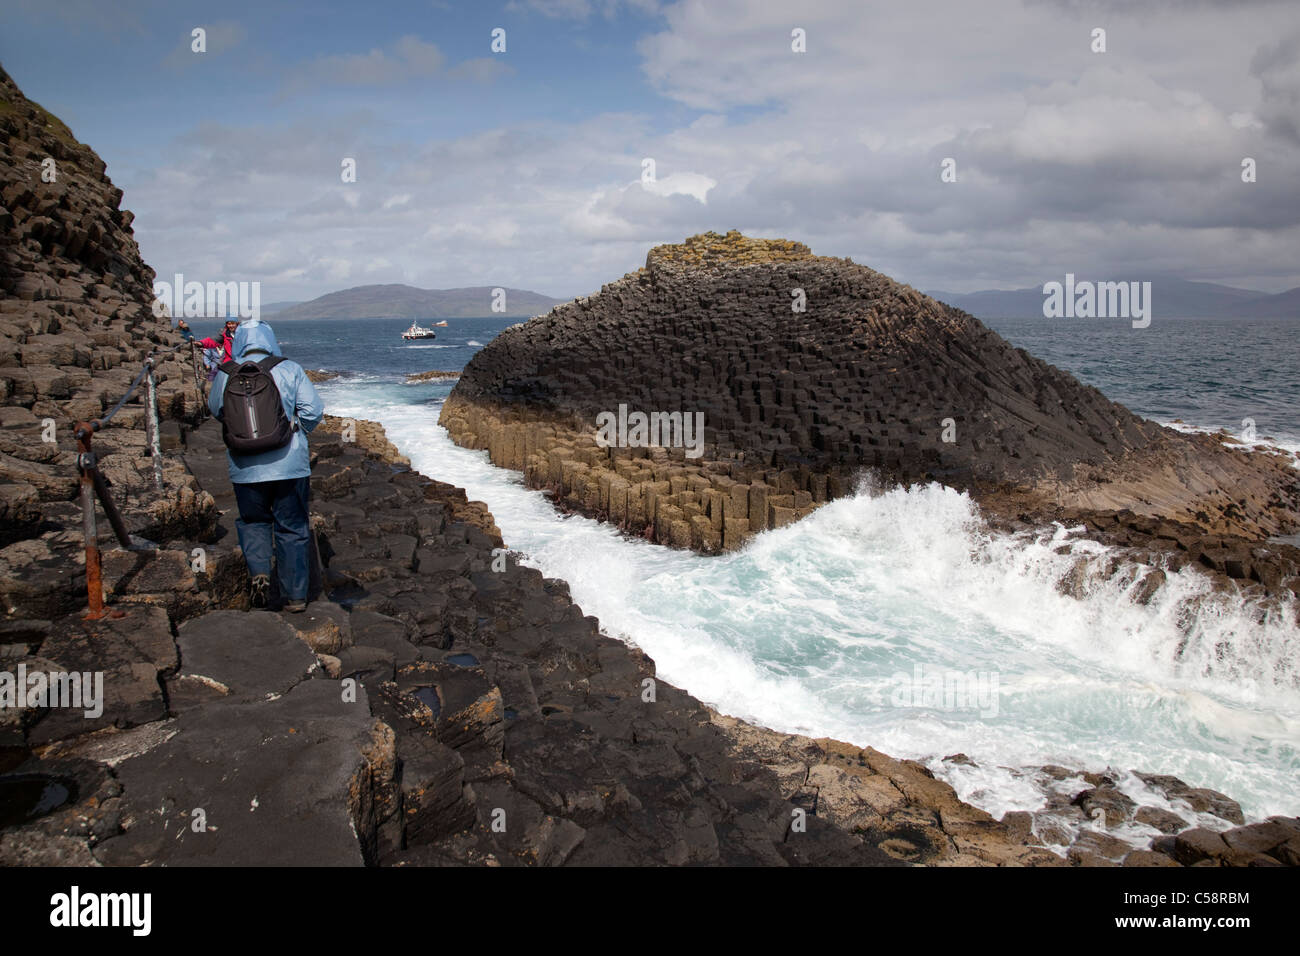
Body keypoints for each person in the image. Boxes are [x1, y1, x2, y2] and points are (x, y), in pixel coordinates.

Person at [208, 320, 324, 613]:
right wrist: (295, 430)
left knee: (253, 521)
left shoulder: (226, 373)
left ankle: (260, 572)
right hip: (289, 466)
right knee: (292, 527)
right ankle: (296, 596)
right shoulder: (289, 369)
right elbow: (314, 410)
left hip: (245, 468)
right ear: (270, 339)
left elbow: (215, 410)